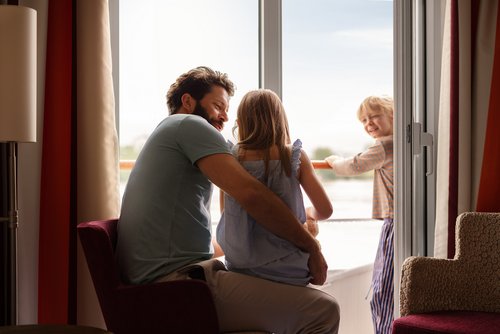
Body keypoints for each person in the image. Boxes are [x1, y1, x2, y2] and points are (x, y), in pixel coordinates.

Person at [116, 66, 340, 334]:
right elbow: (252, 195)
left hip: (171, 276)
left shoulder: (171, 132)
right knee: (323, 310)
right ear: (188, 101)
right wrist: (311, 247)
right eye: (218, 106)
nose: (224, 116)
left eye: (227, 109)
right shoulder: (189, 124)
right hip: (176, 285)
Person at [216, 89, 332, 286]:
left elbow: (226, 214)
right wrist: (309, 214)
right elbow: (326, 210)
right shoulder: (294, 156)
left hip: (242, 268)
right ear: (280, 118)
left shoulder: (230, 159)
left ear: (241, 120)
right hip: (289, 268)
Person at [324, 95, 394, 334]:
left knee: (383, 288)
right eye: (364, 120)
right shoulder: (399, 144)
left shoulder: (385, 145)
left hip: (394, 222)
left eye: (374, 116)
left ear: (393, 114)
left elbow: (354, 165)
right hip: (394, 221)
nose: (369, 123)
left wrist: (334, 162)